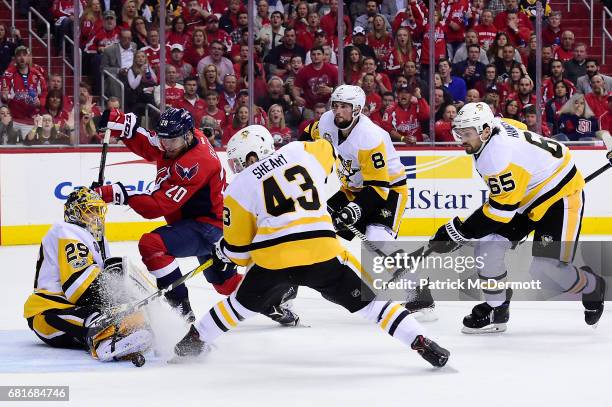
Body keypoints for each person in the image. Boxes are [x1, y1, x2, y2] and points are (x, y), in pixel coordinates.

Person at [172, 125, 450, 368]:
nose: (236, 167)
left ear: (249, 156)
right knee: (374, 305)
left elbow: (240, 253)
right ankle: (421, 341)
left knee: (237, 307)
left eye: (236, 161)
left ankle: (191, 343)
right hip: (322, 251)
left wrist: (224, 252)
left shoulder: (238, 187)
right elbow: (328, 150)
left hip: (274, 261)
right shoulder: (299, 152)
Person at [429, 102, 606, 333]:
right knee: (487, 247)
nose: (461, 139)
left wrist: (459, 232)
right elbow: (520, 130)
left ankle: (592, 285)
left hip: (560, 198)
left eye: (467, 133)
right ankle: (497, 307)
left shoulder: (496, 157)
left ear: (484, 131)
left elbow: (499, 213)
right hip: (525, 195)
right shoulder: (497, 127)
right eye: (458, 133)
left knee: (545, 271)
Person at [94, 108, 238, 322]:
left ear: (188, 136)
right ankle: (274, 293)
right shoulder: (180, 138)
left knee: (152, 245)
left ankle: (182, 315)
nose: (166, 146)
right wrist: (126, 127)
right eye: (164, 139)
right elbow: (152, 146)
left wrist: (118, 194)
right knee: (225, 286)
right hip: (199, 221)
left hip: (210, 227)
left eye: (172, 141)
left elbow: (156, 206)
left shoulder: (194, 164)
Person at [301, 85, 434, 316]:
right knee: (313, 224)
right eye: (336, 105)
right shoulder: (326, 122)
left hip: (388, 191)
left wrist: (353, 210)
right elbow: (306, 136)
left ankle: (420, 296)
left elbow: (378, 187)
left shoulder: (370, 136)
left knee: (378, 240)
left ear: (358, 110)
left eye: (345, 107)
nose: (338, 111)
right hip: (353, 188)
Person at [23, 188, 153, 362]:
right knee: (100, 317)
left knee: (131, 315)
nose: (96, 216)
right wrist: (121, 298)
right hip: (48, 312)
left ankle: (119, 335)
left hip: (75, 308)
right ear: (75, 213)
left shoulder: (96, 239)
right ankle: (104, 341)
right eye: (90, 211)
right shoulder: (66, 231)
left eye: (98, 210)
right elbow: (80, 287)